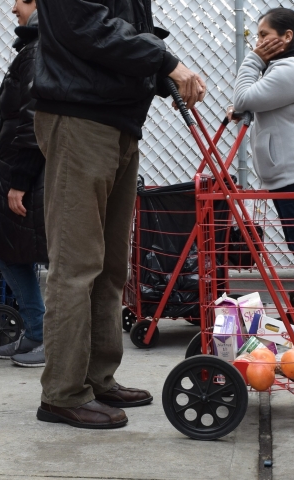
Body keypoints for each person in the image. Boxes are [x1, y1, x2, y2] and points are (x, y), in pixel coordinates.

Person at [32, 0, 206, 429]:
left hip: (118, 119)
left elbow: (125, 30)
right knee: (76, 265)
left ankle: (96, 377)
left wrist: (157, 71)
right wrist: (166, 61)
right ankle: (63, 393)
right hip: (80, 115)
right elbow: (85, 26)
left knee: (111, 265)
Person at [227, 7, 294, 332]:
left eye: (263, 35)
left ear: (287, 37)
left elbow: (243, 96)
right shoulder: (289, 69)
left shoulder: (291, 70)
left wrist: (253, 59)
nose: (258, 43)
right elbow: (254, 102)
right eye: (255, 37)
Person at [0, 0, 47, 368]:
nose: (13, 8)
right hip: (19, 162)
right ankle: (38, 333)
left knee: (16, 249)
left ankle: (45, 337)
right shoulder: (36, 46)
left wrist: (20, 179)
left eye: (22, 0)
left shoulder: (38, 49)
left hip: (26, 167)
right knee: (10, 249)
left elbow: (32, 118)